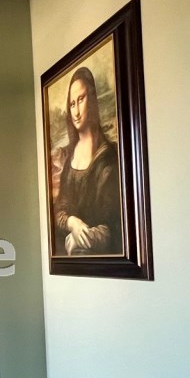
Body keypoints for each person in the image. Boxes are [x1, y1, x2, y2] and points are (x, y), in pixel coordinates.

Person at [51, 67, 123, 255]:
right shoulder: (69, 158)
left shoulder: (109, 157)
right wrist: (72, 223)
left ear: (92, 99)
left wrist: (88, 236)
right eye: (72, 104)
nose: (76, 111)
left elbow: (115, 222)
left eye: (81, 99)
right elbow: (59, 211)